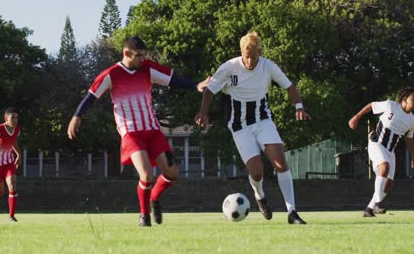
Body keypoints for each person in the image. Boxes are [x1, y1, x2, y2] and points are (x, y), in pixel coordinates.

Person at [67, 36, 209, 227]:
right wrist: (77, 116)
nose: (142, 59)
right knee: (147, 175)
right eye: (139, 56)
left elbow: (172, 79)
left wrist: (195, 85)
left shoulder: (147, 68)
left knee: (172, 172)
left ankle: (155, 198)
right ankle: (144, 216)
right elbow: (91, 97)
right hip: (131, 135)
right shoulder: (111, 74)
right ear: (127, 53)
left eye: (144, 56)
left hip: (153, 132)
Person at [195, 31, 310, 224]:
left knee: (281, 163)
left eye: (253, 57)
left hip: (263, 121)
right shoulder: (229, 67)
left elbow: (290, 87)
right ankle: (259, 196)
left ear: (260, 52)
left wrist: (298, 107)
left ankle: (292, 212)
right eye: (246, 57)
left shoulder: (268, 66)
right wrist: (203, 112)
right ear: (241, 52)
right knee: (257, 172)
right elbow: (209, 91)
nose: (250, 62)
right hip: (240, 127)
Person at [348, 87, 414, 217]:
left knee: (388, 183)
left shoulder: (412, 120)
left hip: (390, 150)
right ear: (405, 99)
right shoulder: (390, 105)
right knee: (385, 166)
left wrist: (413, 157)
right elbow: (371, 105)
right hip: (376, 143)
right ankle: (378, 203)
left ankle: (369, 209)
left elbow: (410, 139)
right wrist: (356, 117)